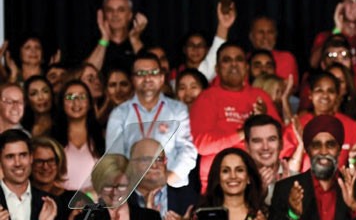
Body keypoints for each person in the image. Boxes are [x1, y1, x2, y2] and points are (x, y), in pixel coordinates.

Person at [189, 41, 281, 192]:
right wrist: (245, 131)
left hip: (259, 178)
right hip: (218, 183)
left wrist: (263, 119)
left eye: (239, 59)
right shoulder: (207, 97)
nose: (233, 64)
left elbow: (281, 145)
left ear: (246, 67)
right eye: (227, 60)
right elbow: (203, 145)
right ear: (217, 68)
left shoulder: (260, 96)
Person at [105, 51, 198, 189]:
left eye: (153, 72)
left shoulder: (178, 110)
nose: (147, 78)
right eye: (141, 73)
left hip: (171, 186)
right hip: (133, 189)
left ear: (161, 78)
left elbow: (187, 149)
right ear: (133, 79)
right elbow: (114, 155)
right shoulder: (119, 114)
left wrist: (167, 178)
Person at [51, 79, 105, 193]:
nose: (76, 102)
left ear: (90, 103)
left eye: (81, 97)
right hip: (63, 204)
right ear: (62, 103)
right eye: (70, 97)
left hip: (96, 204)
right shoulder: (51, 138)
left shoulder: (102, 137)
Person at [86, 0, 147, 75]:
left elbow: (148, 72)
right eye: (110, 10)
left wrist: (135, 39)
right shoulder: (93, 44)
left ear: (130, 15)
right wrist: (104, 39)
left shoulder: (142, 41)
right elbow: (87, 76)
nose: (115, 14)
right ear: (104, 15)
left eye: (121, 10)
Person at [247, 15, 300, 89]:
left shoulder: (286, 58)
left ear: (276, 35)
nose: (265, 37)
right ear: (251, 36)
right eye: (260, 32)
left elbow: (288, 88)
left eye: (270, 32)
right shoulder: (244, 59)